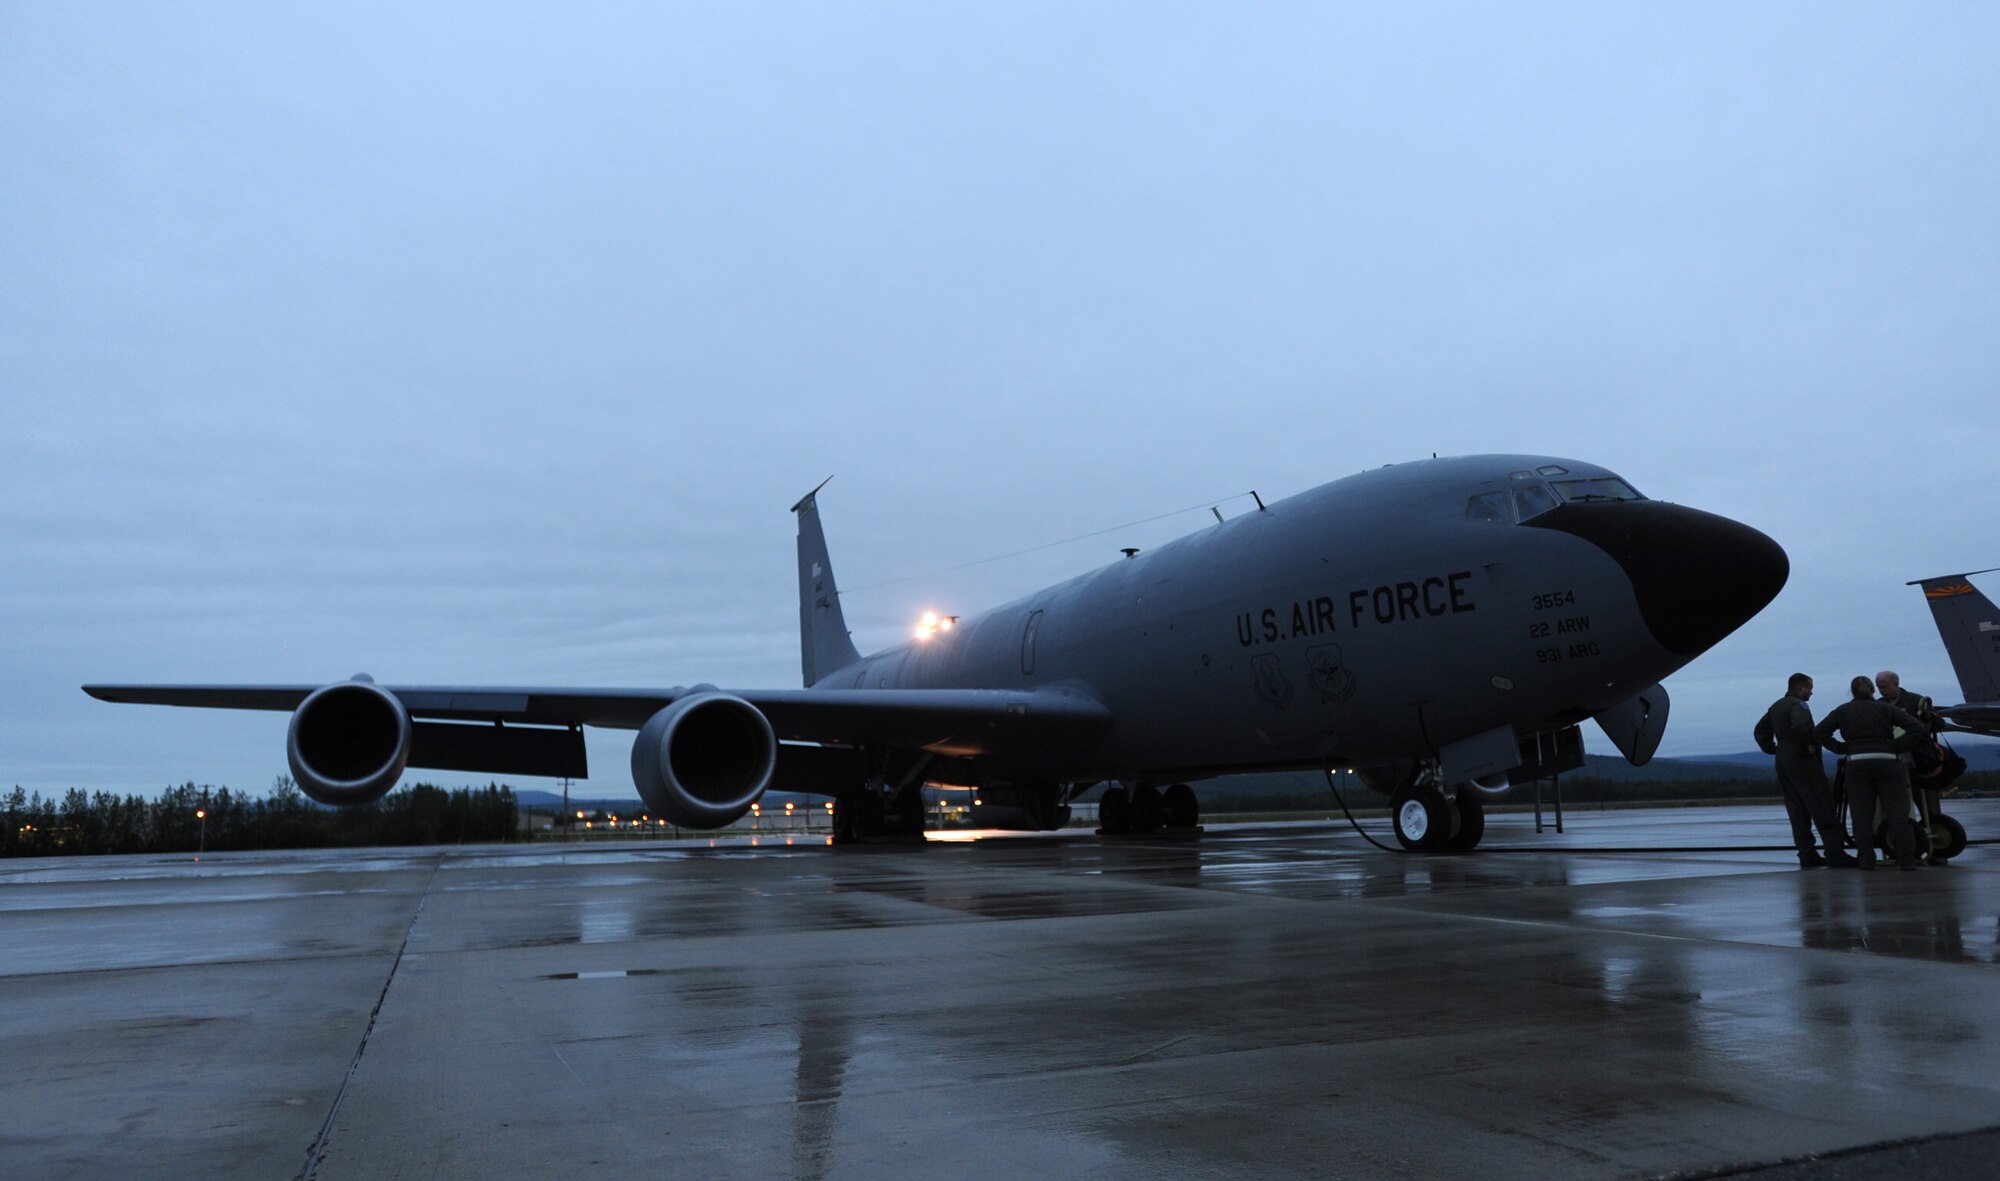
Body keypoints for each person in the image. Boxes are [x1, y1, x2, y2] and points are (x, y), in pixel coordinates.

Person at [1814, 676, 1929, 870]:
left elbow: (1819, 732)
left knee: (1861, 815)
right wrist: (1898, 746)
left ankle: (1866, 860)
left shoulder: (1843, 710)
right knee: (1898, 815)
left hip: (1857, 764)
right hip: (1888, 761)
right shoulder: (1885, 708)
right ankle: (1907, 861)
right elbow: (1916, 727)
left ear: (1852, 691)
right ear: (1872, 691)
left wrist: (1841, 747)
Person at [1753, 673, 1852, 867]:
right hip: (1802, 761)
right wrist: (1806, 746)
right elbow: (1802, 728)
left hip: (1783, 760)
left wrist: (1772, 748)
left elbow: (1760, 730)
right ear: (1800, 688)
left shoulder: (1776, 706)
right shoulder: (1799, 706)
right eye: (1809, 688)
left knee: (1796, 809)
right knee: (1821, 804)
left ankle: (1807, 854)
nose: (1811, 692)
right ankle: (1835, 853)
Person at [1877, 669, 1950, 866]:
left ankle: (1938, 851)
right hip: (1894, 762)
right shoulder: (1878, 706)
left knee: (1929, 806)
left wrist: (1928, 720)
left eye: (1884, 687)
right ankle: (1908, 847)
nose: (1881, 691)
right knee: (1898, 808)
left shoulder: (1916, 701)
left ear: (1896, 683)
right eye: (1879, 688)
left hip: (1920, 761)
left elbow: (1939, 723)